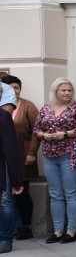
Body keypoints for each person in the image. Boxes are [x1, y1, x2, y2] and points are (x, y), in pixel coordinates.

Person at [33, 78, 76, 244]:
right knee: (55, 194)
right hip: (49, 155)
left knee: (71, 193)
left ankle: (71, 231)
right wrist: (43, 135)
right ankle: (58, 231)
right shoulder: (46, 108)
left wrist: (65, 134)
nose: (67, 93)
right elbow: (36, 129)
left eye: (69, 90)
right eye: (63, 90)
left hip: (71, 154)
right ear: (55, 91)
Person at [2, 75, 39, 240]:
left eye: (17, 87)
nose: (14, 90)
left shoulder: (25, 107)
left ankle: (17, 230)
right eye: (12, 87)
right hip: (6, 158)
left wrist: (31, 152)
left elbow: (36, 131)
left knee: (13, 197)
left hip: (17, 158)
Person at [0, 106, 24, 253]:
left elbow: (11, 149)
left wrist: (16, 179)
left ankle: (5, 238)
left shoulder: (3, 116)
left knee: (5, 203)